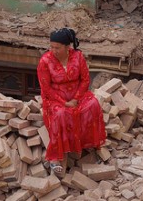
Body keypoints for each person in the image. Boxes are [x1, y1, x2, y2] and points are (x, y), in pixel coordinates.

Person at [37, 28, 106, 176]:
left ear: (67, 47)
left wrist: (75, 99)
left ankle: (85, 143)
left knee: (93, 104)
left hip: (77, 95)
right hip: (55, 97)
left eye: (57, 47)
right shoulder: (45, 61)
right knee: (61, 114)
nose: (53, 50)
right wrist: (64, 101)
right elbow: (46, 88)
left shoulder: (78, 57)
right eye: (51, 47)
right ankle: (56, 156)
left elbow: (85, 79)